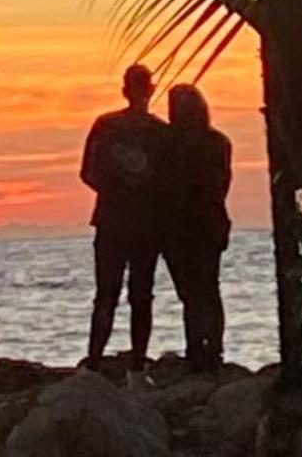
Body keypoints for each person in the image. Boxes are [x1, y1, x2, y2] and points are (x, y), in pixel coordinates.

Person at [79, 63, 169, 372]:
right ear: (151, 90)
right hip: (137, 221)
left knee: (110, 293)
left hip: (120, 220)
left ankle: (97, 360)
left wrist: (114, 188)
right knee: (137, 294)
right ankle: (134, 362)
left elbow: (88, 173)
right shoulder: (158, 133)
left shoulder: (110, 126)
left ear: (125, 91)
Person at [161, 83, 232, 372]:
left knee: (197, 291)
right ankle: (206, 350)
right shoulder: (216, 142)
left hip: (190, 224)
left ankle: (204, 350)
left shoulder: (169, 143)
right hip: (196, 224)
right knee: (200, 290)